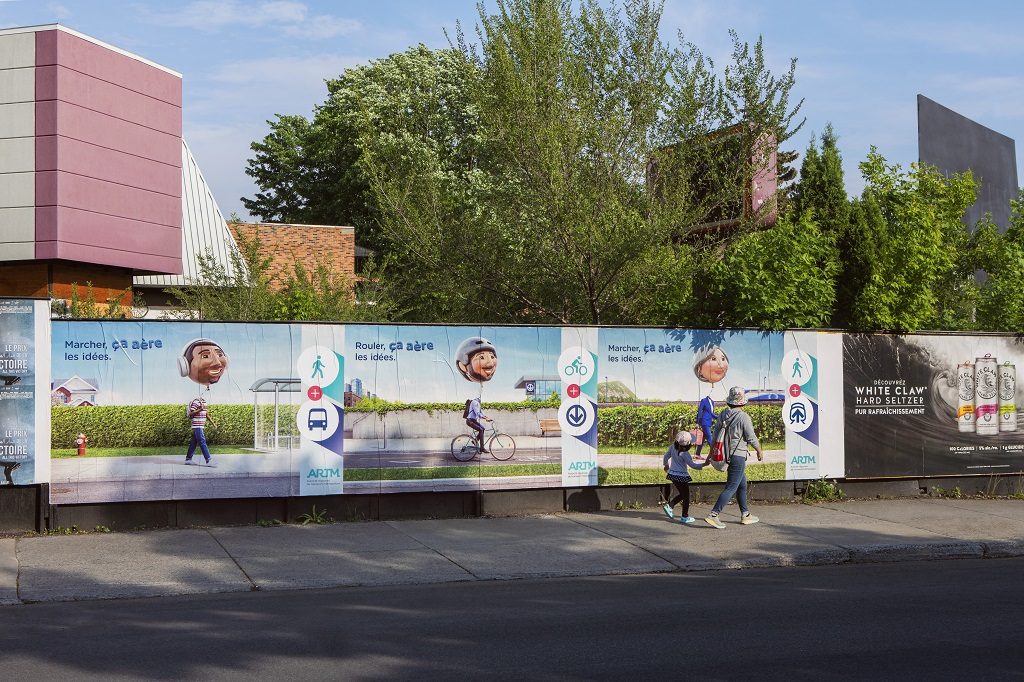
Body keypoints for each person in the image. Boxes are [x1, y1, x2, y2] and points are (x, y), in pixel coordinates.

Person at [704, 386, 763, 529]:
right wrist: (759, 450)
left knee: (741, 484)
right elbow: (751, 437)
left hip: (725, 455)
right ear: (742, 402)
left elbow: (715, 436)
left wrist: (710, 454)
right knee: (732, 486)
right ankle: (714, 514)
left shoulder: (723, 414)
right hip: (738, 455)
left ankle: (745, 514)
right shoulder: (744, 417)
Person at [693, 345, 729, 458]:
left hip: (708, 422)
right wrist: (697, 422)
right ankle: (715, 454)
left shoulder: (712, 402)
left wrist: (719, 417)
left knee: (702, 439)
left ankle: (697, 454)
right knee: (710, 437)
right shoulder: (704, 400)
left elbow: (712, 414)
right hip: (704, 422)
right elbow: (700, 411)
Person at [662, 430, 706, 524]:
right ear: (688, 444)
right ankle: (684, 516)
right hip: (681, 476)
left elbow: (666, 456)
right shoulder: (685, 454)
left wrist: (666, 465)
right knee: (686, 496)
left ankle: (671, 506)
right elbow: (693, 465)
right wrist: (704, 464)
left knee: (683, 494)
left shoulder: (673, 447)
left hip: (672, 475)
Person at [185, 397, 216, 466]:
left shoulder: (205, 402)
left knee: (194, 442)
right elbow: (191, 413)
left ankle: (188, 459)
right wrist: (200, 409)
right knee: (202, 441)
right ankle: (208, 460)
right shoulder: (196, 402)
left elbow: (206, 414)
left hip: (201, 425)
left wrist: (213, 423)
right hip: (197, 425)